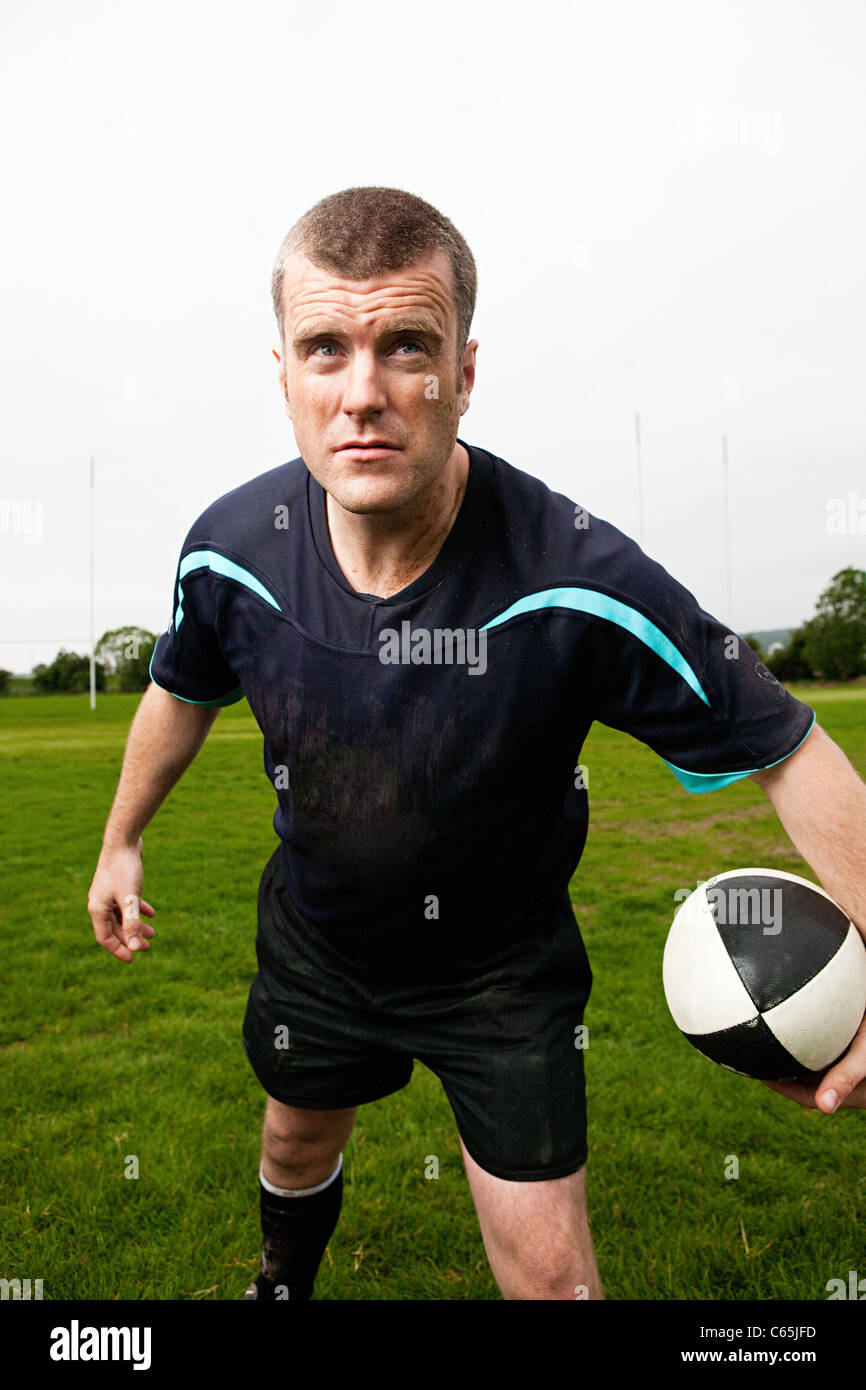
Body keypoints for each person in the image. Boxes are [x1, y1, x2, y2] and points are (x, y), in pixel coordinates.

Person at [87, 186, 866, 1302]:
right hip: (317, 941)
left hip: (499, 972)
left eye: (407, 345)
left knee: (552, 1279)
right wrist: (120, 842)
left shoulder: (578, 577)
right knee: (294, 1146)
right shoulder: (227, 551)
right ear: (283, 376)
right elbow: (177, 688)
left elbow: (782, 741)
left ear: (462, 369)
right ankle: (279, 1283)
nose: (363, 393)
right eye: (325, 348)